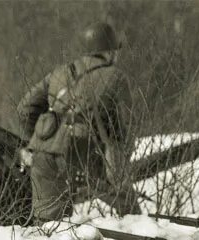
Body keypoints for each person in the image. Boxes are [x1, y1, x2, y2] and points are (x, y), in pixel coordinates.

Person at [17, 22, 133, 223]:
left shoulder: (60, 72)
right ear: (110, 51)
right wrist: (119, 168)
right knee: (132, 216)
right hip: (84, 153)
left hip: (43, 154)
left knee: (48, 226)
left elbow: (25, 108)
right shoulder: (115, 76)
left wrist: (37, 140)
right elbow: (124, 127)